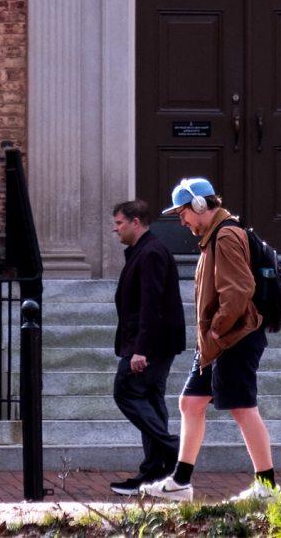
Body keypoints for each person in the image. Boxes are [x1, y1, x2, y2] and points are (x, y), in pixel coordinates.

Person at [138, 177, 278, 504]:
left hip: (233, 338)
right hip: (216, 342)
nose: (181, 220)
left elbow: (239, 290)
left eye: (183, 212)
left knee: (243, 408)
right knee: (191, 403)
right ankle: (181, 483)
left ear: (200, 205)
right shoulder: (214, 236)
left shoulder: (226, 235)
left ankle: (268, 488)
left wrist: (217, 328)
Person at [107, 198, 186, 496]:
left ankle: (173, 448)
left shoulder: (151, 253)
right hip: (153, 341)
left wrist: (141, 350)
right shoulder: (144, 251)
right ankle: (156, 472)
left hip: (150, 343)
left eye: (119, 223)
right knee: (151, 400)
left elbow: (152, 305)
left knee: (125, 391)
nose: (116, 230)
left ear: (135, 222)